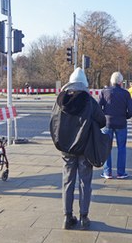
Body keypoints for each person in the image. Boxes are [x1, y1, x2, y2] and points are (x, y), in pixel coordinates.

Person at [50, 67, 106, 230]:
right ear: (85, 83)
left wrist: (59, 141)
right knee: (85, 182)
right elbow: (102, 121)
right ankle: (84, 218)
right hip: (84, 148)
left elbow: (53, 121)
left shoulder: (60, 100)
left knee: (67, 181)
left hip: (66, 149)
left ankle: (67, 217)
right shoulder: (89, 101)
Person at [99, 71, 132, 179]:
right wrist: (125, 117)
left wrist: (103, 118)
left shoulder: (104, 92)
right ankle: (121, 172)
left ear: (111, 81)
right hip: (121, 124)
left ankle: (107, 172)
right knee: (122, 148)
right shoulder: (126, 93)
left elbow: (97, 108)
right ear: (121, 82)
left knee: (107, 148)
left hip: (107, 123)